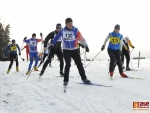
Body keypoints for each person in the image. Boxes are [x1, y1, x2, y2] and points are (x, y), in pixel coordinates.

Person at [47, 18, 91, 86]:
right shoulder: (62, 31)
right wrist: (52, 44)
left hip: (75, 49)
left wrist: (86, 46)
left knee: (79, 64)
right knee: (68, 64)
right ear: (66, 24)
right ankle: (66, 80)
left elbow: (81, 38)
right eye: (69, 23)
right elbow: (56, 38)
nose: (70, 25)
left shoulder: (75, 30)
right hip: (66, 50)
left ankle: (84, 78)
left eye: (71, 23)